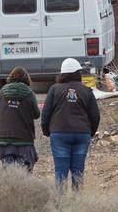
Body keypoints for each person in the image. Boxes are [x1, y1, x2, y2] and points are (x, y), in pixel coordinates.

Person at [41, 58, 100, 191]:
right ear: (77, 73)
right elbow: (95, 116)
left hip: (59, 134)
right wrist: (90, 132)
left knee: (61, 172)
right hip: (82, 134)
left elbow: (45, 113)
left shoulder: (54, 89)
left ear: (63, 73)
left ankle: (61, 205)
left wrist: (46, 131)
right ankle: (76, 203)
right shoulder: (86, 91)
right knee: (78, 172)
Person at [0, 66, 40, 171]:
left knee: (7, 171)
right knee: (24, 172)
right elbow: (36, 114)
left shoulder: (2, 91)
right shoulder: (29, 93)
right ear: (26, 79)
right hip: (23, 140)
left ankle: (9, 185)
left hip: (2, 138)